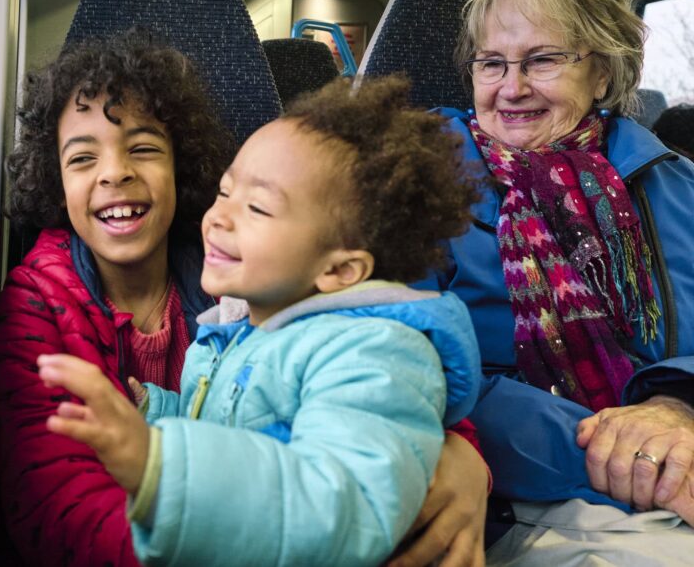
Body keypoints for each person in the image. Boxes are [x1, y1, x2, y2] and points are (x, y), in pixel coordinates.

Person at [36, 76, 483, 566]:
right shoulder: (242, 330)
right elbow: (230, 423)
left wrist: (159, 464)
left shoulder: (375, 355)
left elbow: (338, 510)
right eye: (225, 193)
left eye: (257, 207)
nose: (219, 218)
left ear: (338, 270)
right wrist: (154, 411)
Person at [416, 0, 694, 564]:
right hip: (509, 496)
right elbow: (410, 368)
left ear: (602, 71)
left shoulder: (675, 184)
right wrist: (617, 450)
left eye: (541, 59)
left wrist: (680, 407)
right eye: (491, 63)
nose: (511, 88)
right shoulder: (417, 180)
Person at [0, 29, 233, 566]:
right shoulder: (37, 303)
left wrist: (453, 451)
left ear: (180, 167)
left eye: (143, 149)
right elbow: (56, 507)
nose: (115, 172)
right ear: (57, 183)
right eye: (81, 159)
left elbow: (356, 355)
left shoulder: (240, 277)